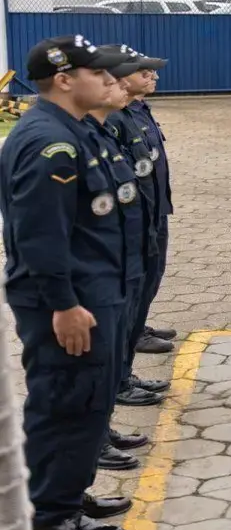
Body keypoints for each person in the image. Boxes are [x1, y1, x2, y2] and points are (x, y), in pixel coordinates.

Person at [0, 34, 136, 530]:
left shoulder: (72, 128)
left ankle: (66, 495)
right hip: (67, 300)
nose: (107, 79)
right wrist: (64, 304)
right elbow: (39, 236)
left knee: (85, 402)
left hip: (92, 291)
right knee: (64, 403)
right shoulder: (49, 141)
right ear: (63, 80)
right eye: (95, 73)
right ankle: (50, 516)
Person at [77, 45, 158, 478]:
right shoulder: (55, 143)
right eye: (106, 78)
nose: (114, 85)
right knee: (78, 378)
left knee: (100, 366)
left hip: (114, 264)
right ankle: (59, 505)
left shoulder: (101, 130)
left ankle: (95, 441)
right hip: (85, 281)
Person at [123, 46, 176, 358]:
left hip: (155, 208)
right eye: (145, 72)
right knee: (140, 275)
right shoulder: (117, 116)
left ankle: (137, 325)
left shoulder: (140, 108)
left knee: (154, 272)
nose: (153, 76)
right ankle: (132, 332)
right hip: (138, 214)